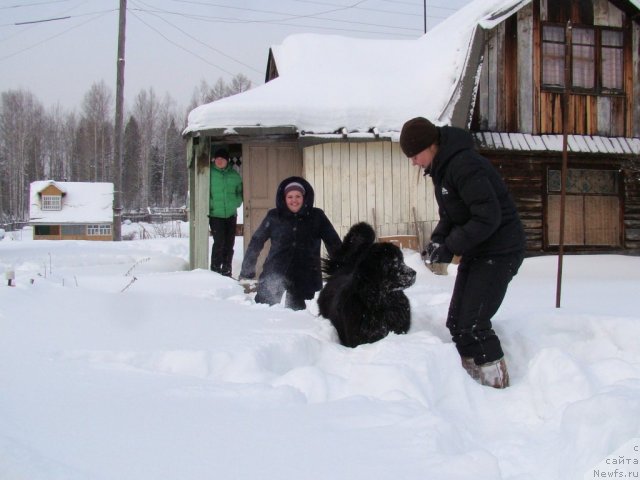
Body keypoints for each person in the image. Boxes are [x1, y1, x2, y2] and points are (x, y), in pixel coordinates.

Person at [400, 117, 526, 389]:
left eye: (414, 155)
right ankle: (471, 383)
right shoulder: (442, 170)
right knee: (457, 322)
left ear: (431, 146)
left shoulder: (464, 165)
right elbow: (451, 216)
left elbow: (487, 217)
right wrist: (438, 241)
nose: (413, 162)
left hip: (501, 249)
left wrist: (451, 246)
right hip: (480, 249)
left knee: (474, 323)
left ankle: (496, 385)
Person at [239, 176, 342, 311]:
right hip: (274, 273)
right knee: (263, 313)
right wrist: (247, 269)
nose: (294, 200)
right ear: (284, 198)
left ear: (304, 197)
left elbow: (333, 242)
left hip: (306, 277)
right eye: (290, 197)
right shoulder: (274, 216)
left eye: (298, 196)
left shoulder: (317, 216)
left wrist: (342, 268)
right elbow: (256, 241)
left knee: (300, 319)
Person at [209, 147, 243, 277]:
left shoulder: (234, 175)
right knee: (219, 242)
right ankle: (215, 270)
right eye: (217, 159)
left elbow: (240, 192)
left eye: (222, 159)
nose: (219, 161)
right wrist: (210, 205)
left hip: (231, 214)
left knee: (230, 243)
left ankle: (227, 270)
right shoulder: (209, 173)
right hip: (215, 214)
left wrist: (236, 202)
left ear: (227, 160)